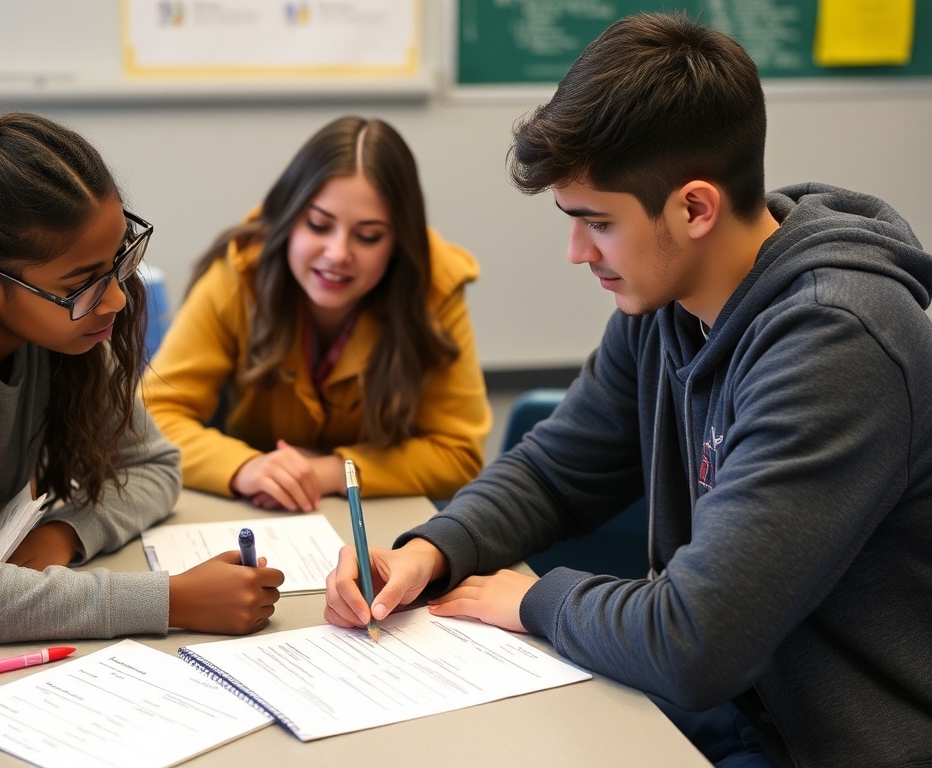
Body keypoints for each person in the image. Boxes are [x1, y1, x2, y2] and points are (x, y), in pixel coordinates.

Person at [324, 12, 932, 768]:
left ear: (696, 208)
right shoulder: (671, 299)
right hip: (737, 716)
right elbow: (557, 470)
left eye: (597, 223)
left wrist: (529, 599)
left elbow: (694, 641)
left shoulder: (839, 341)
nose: (578, 252)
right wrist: (431, 551)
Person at [0, 67, 283, 645]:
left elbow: (154, 466)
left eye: (118, 261)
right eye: (83, 281)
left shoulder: (66, 332)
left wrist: (64, 533)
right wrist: (171, 600)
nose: (113, 297)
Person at [142, 116, 490, 512]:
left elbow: (457, 454)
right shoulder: (240, 272)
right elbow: (153, 418)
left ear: (398, 242)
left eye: (368, 235)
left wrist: (331, 471)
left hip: (379, 517)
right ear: (288, 219)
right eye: (319, 225)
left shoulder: (434, 284)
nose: (338, 253)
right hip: (259, 507)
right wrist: (246, 467)